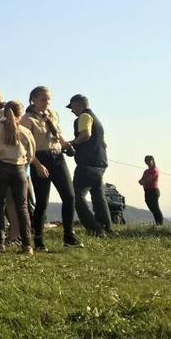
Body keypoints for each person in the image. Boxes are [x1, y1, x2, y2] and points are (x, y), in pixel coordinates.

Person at [21, 86, 83, 250]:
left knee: (69, 196)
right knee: (42, 201)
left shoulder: (52, 114)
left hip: (57, 156)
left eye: (48, 99)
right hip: (40, 158)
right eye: (43, 99)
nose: (46, 103)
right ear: (33, 99)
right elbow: (25, 147)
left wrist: (66, 145)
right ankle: (39, 239)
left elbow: (57, 133)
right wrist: (38, 165)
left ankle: (69, 235)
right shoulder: (27, 120)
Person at [0, 101, 36, 255]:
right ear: (21, 113)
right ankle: (27, 244)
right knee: (22, 206)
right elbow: (31, 154)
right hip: (19, 169)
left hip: (0, 167)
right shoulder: (25, 132)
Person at [65, 94, 112, 236]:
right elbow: (103, 143)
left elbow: (85, 134)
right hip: (100, 162)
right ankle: (106, 226)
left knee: (76, 196)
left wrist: (71, 144)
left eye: (72, 107)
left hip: (87, 163)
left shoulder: (84, 117)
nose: (71, 110)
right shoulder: (97, 120)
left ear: (78, 104)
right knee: (98, 195)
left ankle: (94, 229)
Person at [138, 156, 164, 226]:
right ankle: (158, 223)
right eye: (146, 161)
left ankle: (160, 224)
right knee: (152, 207)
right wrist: (143, 181)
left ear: (152, 161)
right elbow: (141, 180)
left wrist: (143, 181)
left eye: (149, 161)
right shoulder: (146, 171)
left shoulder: (154, 170)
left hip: (153, 190)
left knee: (156, 208)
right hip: (147, 191)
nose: (148, 162)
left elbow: (148, 180)